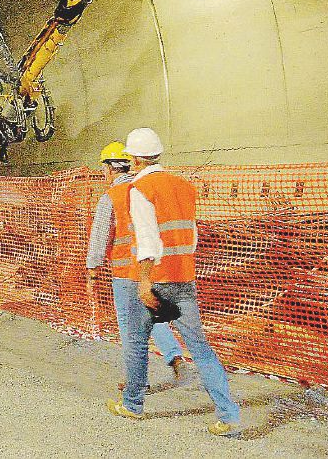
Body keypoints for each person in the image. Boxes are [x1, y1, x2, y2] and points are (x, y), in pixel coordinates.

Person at [105, 128, 242, 437]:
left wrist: (143, 283)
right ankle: (229, 415)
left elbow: (148, 242)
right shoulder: (184, 185)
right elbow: (191, 236)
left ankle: (132, 404)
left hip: (157, 279)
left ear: (135, 159)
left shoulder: (140, 189)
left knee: (137, 342)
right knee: (200, 348)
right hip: (184, 278)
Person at [86, 142, 188, 392]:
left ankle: (137, 381)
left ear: (109, 169)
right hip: (151, 268)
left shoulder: (110, 197)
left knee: (131, 329)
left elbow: (100, 236)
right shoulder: (144, 190)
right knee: (152, 314)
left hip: (125, 273)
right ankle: (174, 355)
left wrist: (92, 269)